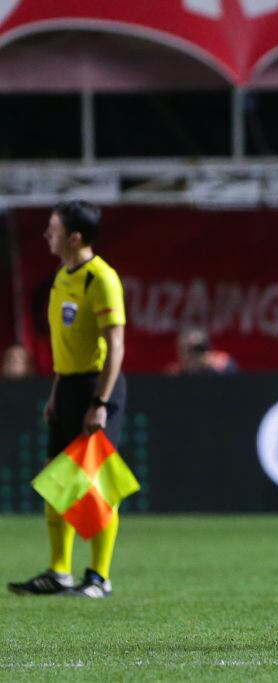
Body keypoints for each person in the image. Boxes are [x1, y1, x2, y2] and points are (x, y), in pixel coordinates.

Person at [7, 200, 127, 599]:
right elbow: (67, 344)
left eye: (53, 229)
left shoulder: (101, 279)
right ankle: (59, 572)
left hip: (97, 386)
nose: (47, 234)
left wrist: (101, 403)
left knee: (94, 483)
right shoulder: (62, 276)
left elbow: (116, 347)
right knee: (56, 479)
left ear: (75, 237)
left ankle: (99, 578)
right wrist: (57, 392)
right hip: (69, 387)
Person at [165, 326, 237, 375]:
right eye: (192, 351)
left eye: (200, 349)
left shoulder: (221, 363)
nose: (197, 355)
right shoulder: (177, 372)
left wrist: (218, 366)